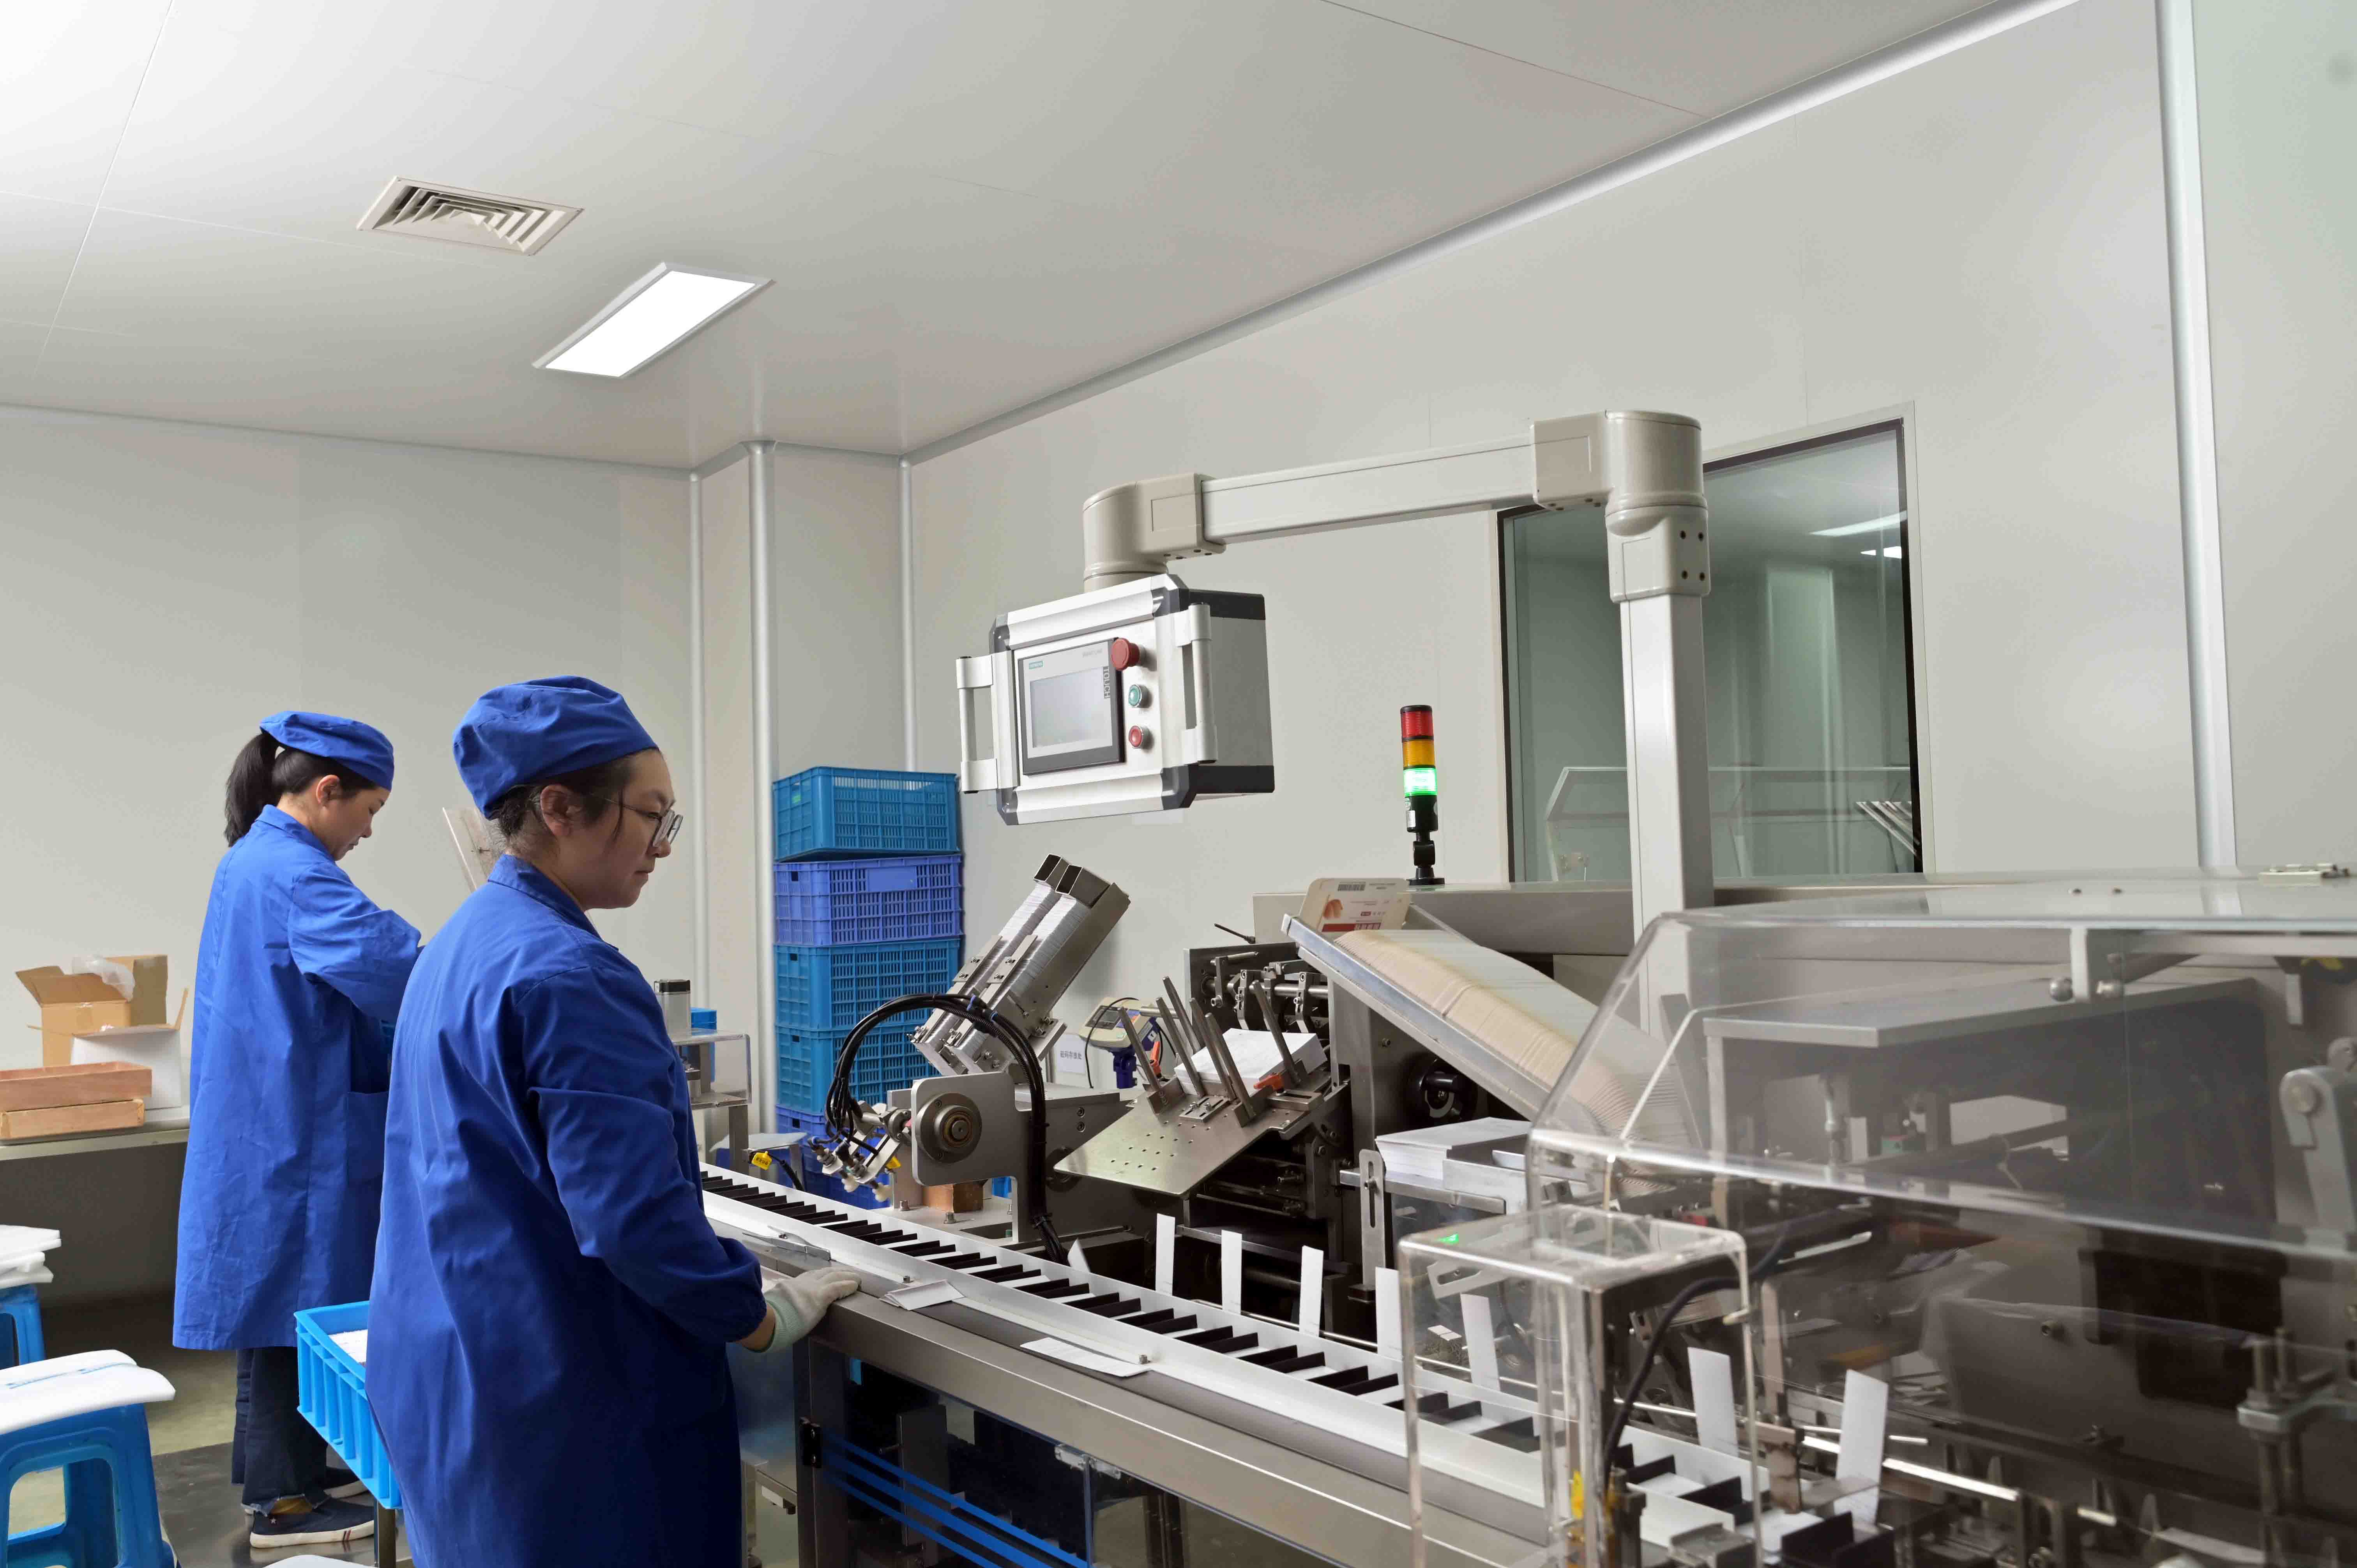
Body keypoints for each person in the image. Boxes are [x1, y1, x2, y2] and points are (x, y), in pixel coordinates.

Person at [371, 676, 859, 1567]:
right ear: (560, 807)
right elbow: (632, 1219)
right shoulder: (570, 975)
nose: (662, 847)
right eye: (652, 816)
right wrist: (757, 1313)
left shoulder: (459, 946)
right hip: (567, 1417)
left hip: (451, 1381)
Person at [175, 711, 422, 1550]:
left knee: (279, 1307)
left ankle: (291, 1473)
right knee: (294, 1310)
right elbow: (388, 967)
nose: (367, 831)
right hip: (293, 1134)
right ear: (326, 790)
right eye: (369, 811)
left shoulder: (254, 859)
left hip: (269, 1123)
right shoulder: (296, 873)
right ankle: (283, 1502)